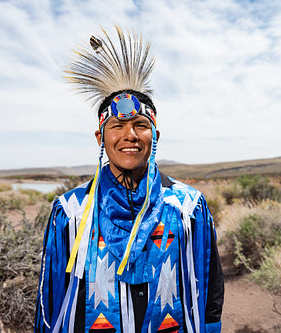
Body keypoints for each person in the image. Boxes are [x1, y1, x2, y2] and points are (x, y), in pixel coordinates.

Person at [34, 26, 224, 333]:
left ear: (155, 135)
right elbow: (50, 296)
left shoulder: (188, 207)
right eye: (117, 126)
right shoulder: (70, 211)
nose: (130, 135)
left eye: (140, 125)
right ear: (101, 137)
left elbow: (211, 286)